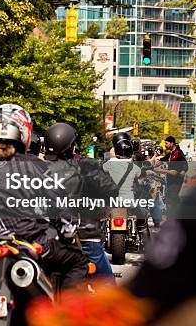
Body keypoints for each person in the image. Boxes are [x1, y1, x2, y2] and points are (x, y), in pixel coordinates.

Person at [0, 105, 89, 321]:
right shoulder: (38, 167)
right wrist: (68, 230)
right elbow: (63, 211)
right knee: (77, 261)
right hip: (28, 243)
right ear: (24, 134)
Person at [43, 122, 117, 284]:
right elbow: (111, 190)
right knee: (109, 291)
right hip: (84, 238)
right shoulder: (85, 165)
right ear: (72, 146)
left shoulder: (37, 168)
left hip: (47, 241)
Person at [156, 136, 188, 218]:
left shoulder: (178, 152)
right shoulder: (170, 154)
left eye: (166, 143)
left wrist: (183, 172)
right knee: (171, 196)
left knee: (170, 196)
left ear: (172, 143)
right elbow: (162, 160)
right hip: (170, 179)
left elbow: (185, 164)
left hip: (176, 179)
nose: (165, 145)